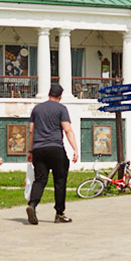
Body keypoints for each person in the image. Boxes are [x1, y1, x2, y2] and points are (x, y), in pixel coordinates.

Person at [26, 84, 79, 224]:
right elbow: (67, 130)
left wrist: (30, 151)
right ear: (60, 96)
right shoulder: (61, 109)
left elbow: (31, 131)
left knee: (40, 180)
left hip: (38, 149)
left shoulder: (36, 109)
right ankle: (59, 214)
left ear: (49, 94)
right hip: (55, 148)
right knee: (60, 181)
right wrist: (75, 149)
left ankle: (32, 204)